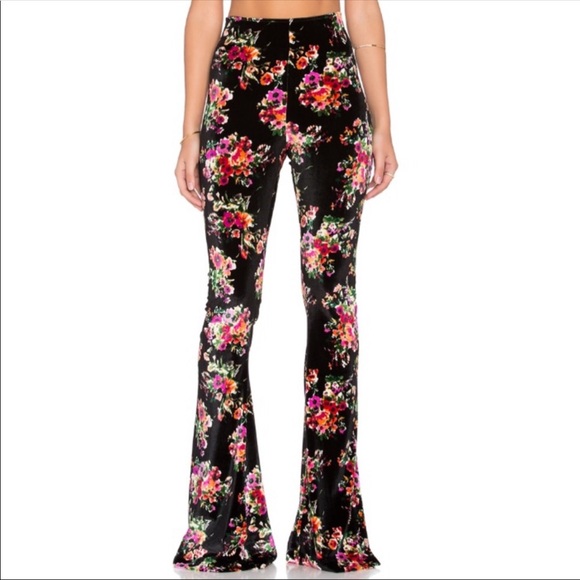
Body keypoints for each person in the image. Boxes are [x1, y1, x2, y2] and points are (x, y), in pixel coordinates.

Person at [173, 0, 398, 573]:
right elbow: (205, 9)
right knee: (229, 307)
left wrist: (383, 123)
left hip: (331, 73)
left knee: (332, 303)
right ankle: (223, 528)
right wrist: (190, 132)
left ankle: (331, 528)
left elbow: (361, 6)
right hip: (239, 76)